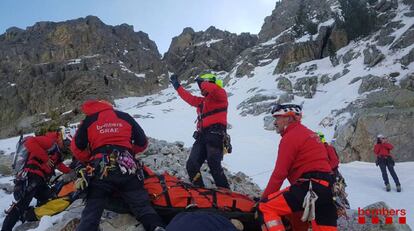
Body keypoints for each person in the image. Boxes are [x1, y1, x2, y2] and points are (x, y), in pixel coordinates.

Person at [70, 100, 165, 231]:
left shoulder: (89, 120)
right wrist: (128, 153)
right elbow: (142, 142)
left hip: (101, 169)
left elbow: (76, 148)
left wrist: (91, 158)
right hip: (127, 167)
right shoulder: (125, 116)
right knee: (142, 206)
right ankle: (156, 227)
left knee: (92, 210)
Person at [258, 104, 337, 231]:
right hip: (327, 189)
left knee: (266, 207)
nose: (275, 122)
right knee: (303, 219)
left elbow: (279, 174)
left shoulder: (290, 137)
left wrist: (263, 199)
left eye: (278, 118)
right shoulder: (311, 134)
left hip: (309, 186)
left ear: (289, 119)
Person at [2, 130, 71, 231]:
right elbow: (29, 143)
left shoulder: (56, 151)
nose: (65, 145)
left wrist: (71, 171)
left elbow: (58, 165)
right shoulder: (50, 141)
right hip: (32, 175)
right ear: (61, 138)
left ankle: (27, 214)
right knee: (22, 204)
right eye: (66, 142)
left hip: (40, 180)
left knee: (48, 197)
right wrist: (45, 159)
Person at [169, 73, 229, 189]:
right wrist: (177, 86)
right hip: (202, 136)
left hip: (215, 135)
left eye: (201, 85)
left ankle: (226, 193)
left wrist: (202, 81)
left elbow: (213, 88)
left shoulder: (220, 94)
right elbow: (189, 98)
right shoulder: (202, 102)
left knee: (213, 163)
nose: (201, 89)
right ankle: (199, 190)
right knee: (191, 164)